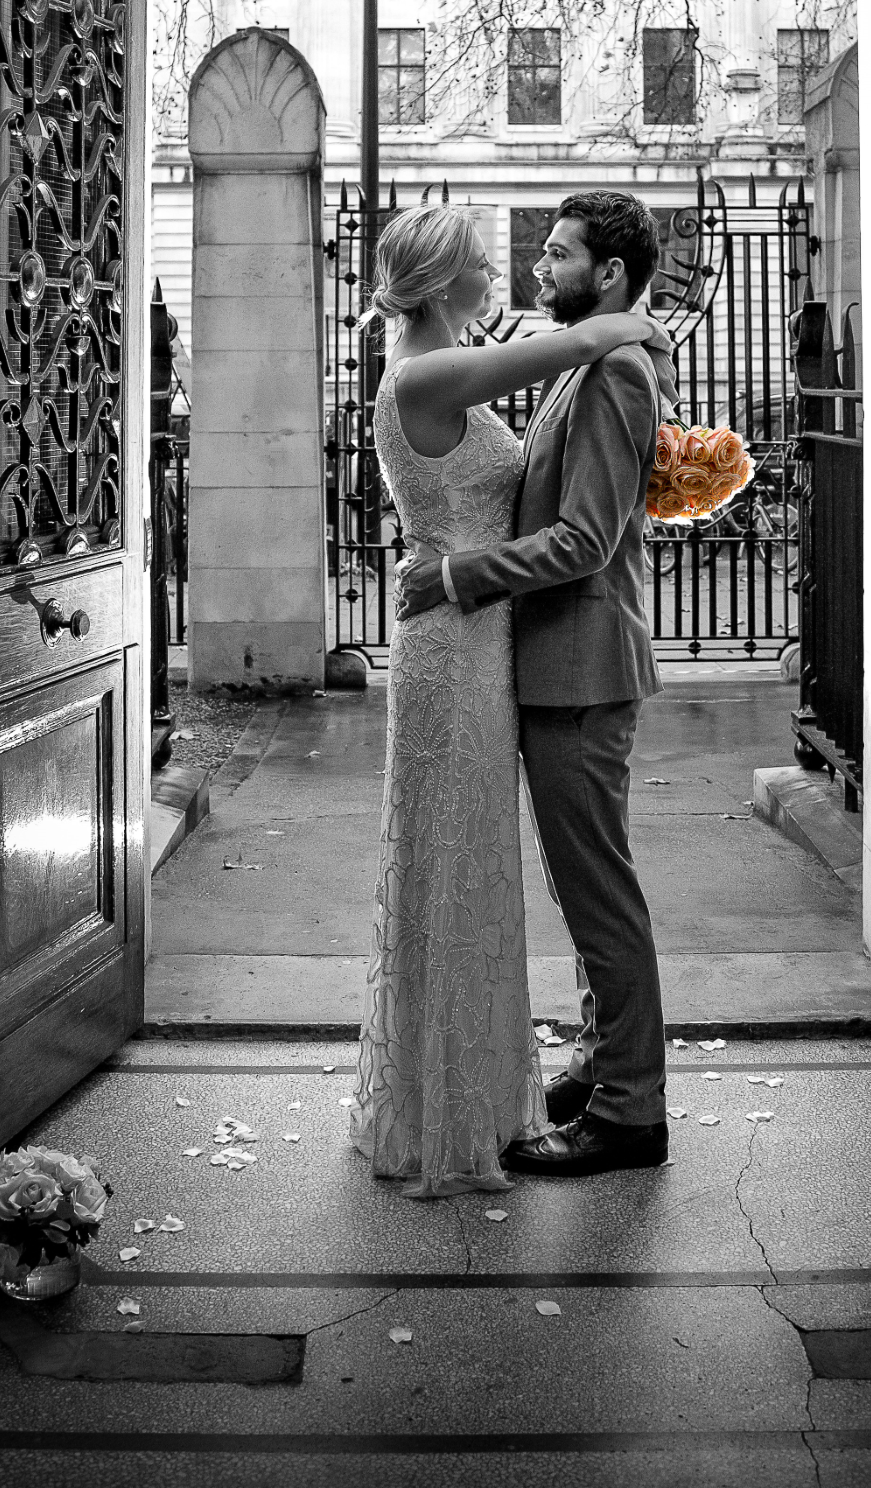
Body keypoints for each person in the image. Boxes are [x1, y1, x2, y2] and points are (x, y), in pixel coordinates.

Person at [350, 202, 675, 1197]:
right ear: (442, 280)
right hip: (487, 656)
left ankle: (629, 1108)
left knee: (594, 891)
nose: (524, 265)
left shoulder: (608, 365)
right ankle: (595, 1064)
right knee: (544, 883)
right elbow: (565, 365)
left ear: (608, 272)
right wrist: (631, 324)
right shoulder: (508, 360)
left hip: (569, 662)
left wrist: (455, 574)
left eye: (556, 251)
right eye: (493, 258)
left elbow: (584, 536)